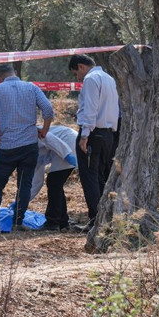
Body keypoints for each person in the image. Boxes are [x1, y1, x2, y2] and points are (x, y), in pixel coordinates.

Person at [0, 64, 55, 233]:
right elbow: (48, 110)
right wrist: (45, 129)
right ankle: (18, 223)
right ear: (15, 73)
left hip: (7, 145)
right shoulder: (31, 88)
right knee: (24, 185)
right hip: (29, 145)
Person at [68, 54, 120, 229]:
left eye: (76, 73)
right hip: (108, 135)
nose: (78, 77)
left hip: (93, 134)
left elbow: (90, 109)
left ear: (81, 66)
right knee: (102, 177)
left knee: (90, 178)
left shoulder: (90, 79)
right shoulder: (109, 78)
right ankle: (106, 220)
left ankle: (95, 221)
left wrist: (84, 135)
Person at [26, 125, 78, 231]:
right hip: (64, 146)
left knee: (54, 182)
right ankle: (62, 222)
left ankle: (53, 222)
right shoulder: (28, 155)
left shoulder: (26, 136)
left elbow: (49, 138)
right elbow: (37, 181)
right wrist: (22, 201)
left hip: (67, 143)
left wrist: (67, 154)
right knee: (55, 183)